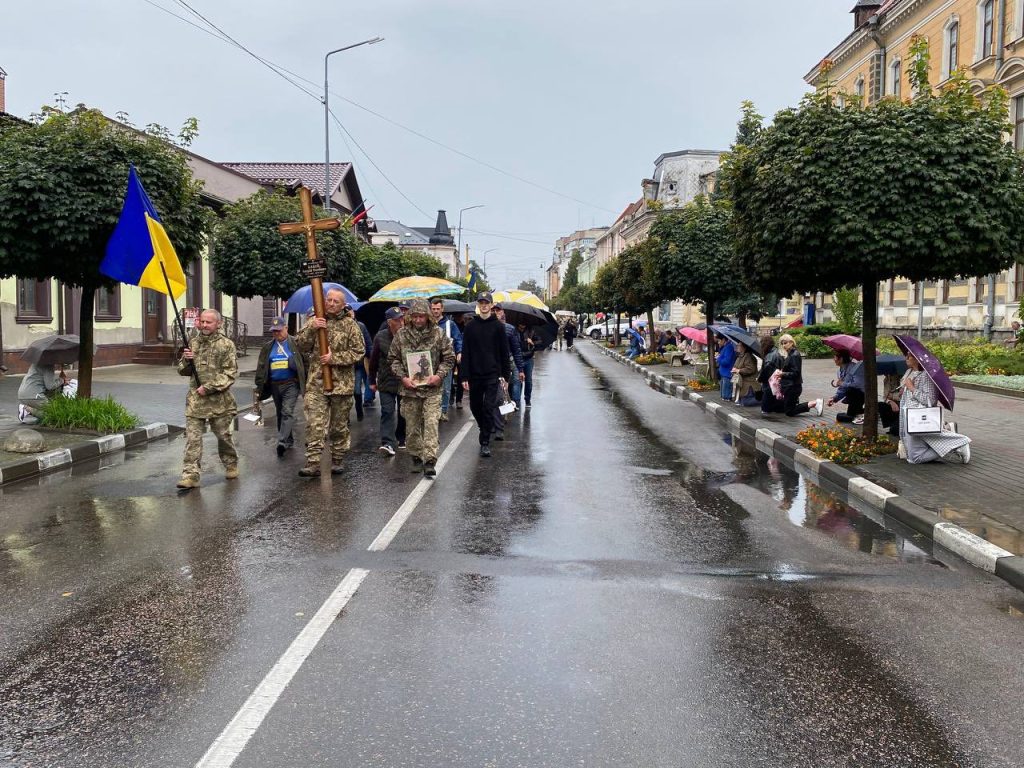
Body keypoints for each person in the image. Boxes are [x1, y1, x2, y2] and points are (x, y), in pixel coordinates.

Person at [294, 288, 366, 478]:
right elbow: (299, 345)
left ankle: (337, 458)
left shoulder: (350, 325)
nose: (331, 304)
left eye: (336, 301)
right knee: (314, 424)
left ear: (343, 305)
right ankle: (313, 462)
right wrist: (312, 327)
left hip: (341, 385)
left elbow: (359, 352)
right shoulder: (316, 321)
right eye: (329, 300)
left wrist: (334, 358)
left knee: (338, 426)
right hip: (317, 383)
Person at [387, 299, 455, 477]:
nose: (418, 320)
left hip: (432, 389)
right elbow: (393, 359)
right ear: (410, 316)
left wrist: (439, 375)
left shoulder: (438, 334)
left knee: (431, 423)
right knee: (412, 427)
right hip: (410, 390)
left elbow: (449, 358)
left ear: (428, 316)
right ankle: (416, 457)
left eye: (422, 316)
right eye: (415, 316)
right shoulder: (401, 335)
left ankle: (430, 460)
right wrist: (403, 377)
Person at [175, 309, 238, 488]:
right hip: (196, 402)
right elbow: (182, 371)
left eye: (208, 322)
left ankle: (231, 463)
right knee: (193, 439)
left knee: (223, 436)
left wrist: (209, 387)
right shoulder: (193, 343)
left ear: (218, 324)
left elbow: (230, 374)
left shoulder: (226, 345)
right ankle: (190, 475)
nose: (204, 325)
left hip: (219, 402)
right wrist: (186, 361)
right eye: (202, 321)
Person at [895, 351, 971, 465]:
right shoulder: (908, 373)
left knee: (916, 456)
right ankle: (955, 446)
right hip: (909, 417)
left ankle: (960, 442)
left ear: (917, 359)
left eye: (909, 355)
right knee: (915, 458)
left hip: (919, 417)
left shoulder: (926, 376)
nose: (906, 358)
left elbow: (930, 400)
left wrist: (912, 389)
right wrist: (903, 392)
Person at [461, 292, 511, 457]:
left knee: (489, 407)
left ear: (491, 305)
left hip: (492, 375)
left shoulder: (498, 326)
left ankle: (484, 442)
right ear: (478, 305)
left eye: (486, 303)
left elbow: (504, 352)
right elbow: (466, 352)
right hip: (475, 375)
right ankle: (484, 427)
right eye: (481, 302)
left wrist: (505, 376)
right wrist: (464, 376)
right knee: (475, 406)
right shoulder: (470, 327)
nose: (484, 305)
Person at [254, 316, 306, 457]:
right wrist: (259, 386)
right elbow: (261, 367)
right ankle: (288, 440)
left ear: (286, 328)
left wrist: (304, 377)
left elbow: (305, 363)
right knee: (280, 413)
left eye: (279, 330)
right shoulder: (267, 347)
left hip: (291, 384)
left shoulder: (296, 343)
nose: (276, 333)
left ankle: (282, 442)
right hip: (274, 385)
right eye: (274, 331)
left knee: (287, 411)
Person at [369, 307, 407, 456]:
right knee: (387, 411)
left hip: (403, 380)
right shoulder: (380, 337)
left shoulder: (408, 335)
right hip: (386, 381)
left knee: (403, 411)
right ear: (390, 322)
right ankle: (387, 442)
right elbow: (373, 360)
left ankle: (401, 437)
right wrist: (372, 380)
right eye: (397, 320)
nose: (401, 322)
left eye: (402, 318)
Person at [774, 333, 824, 418]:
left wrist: (783, 374)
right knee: (788, 409)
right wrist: (782, 373)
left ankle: (815, 403)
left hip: (793, 386)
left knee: (789, 411)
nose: (783, 345)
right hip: (790, 386)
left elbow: (796, 372)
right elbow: (792, 370)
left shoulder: (794, 355)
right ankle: (814, 403)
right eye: (782, 343)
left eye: (785, 343)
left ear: (791, 342)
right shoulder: (790, 354)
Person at [429, 296, 463, 421]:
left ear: (442, 309)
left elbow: (458, 339)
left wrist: (459, 352)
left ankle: (443, 411)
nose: (436, 311)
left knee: (446, 388)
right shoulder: (427, 323)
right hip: (430, 361)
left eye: (438, 308)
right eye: (433, 309)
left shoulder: (450, 324)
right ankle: (432, 411)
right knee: (430, 386)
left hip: (446, 361)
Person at [827, 350, 865, 423]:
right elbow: (842, 388)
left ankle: (863, 413)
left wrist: (842, 383)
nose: (833, 360)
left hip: (861, 394)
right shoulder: (839, 371)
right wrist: (834, 398)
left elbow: (858, 384)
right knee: (841, 416)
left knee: (851, 390)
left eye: (835, 357)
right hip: (852, 396)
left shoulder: (855, 368)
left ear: (841, 359)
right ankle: (861, 413)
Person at [352, 311, 374, 421]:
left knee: (357, 389)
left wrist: (371, 357)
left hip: (359, 363)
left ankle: (359, 410)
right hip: (345, 365)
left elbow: (368, 342)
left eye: (350, 311)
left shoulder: (360, 326)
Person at [513, 322, 538, 408]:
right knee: (517, 380)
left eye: (524, 322)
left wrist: (532, 342)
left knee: (528, 381)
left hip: (528, 358)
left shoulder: (531, 331)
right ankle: (516, 402)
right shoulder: (513, 331)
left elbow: (540, 341)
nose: (523, 324)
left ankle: (527, 399)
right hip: (517, 358)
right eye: (521, 322)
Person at [758, 335, 782, 415]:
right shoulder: (776, 351)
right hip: (775, 379)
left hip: (770, 381)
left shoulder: (770, 355)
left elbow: (767, 369)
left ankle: (767, 410)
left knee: (765, 406)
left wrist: (760, 378)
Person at [731, 342, 760, 407]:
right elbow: (736, 366)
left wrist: (739, 370)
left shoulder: (749, 357)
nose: (737, 346)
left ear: (744, 347)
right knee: (741, 402)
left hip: (749, 384)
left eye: (739, 345)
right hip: (741, 383)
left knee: (746, 402)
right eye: (737, 345)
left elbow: (751, 369)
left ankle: (764, 401)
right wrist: (734, 369)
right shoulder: (740, 356)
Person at [715, 334, 737, 401]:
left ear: (724, 340)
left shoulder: (729, 347)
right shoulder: (725, 347)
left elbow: (726, 361)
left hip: (727, 374)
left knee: (726, 396)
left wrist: (718, 358)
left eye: (719, 341)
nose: (718, 343)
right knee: (723, 396)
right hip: (723, 373)